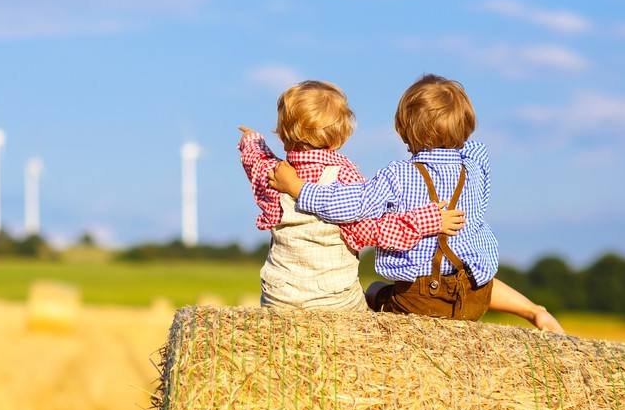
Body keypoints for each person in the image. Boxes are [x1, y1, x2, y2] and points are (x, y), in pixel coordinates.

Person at [269, 74, 565, 334]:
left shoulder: (398, 175)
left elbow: (354, 205)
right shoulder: (474, 168)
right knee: (475, 277)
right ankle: (534, 311)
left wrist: (298, 188)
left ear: (403, 129)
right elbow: (475, 150)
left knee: (373, 291)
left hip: (421, 302)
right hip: (472, 299)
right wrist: (458, 131)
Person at [239, 79, 466, 311]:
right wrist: (427, 221)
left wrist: (251, 140)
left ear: (282, 135)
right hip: (334, 301)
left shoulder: (275, 175)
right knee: (370, 308)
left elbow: (255, 160)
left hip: (279, 298)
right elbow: (373, 230)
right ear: (341, 136)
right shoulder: (345, 177)